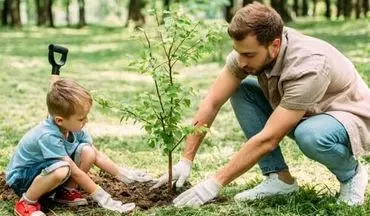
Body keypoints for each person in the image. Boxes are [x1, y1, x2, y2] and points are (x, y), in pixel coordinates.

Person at [152, 2, 370, 207]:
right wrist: (186, 160)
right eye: (238, 52)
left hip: (345, 115)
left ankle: (352, 175)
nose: (241, 60)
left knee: (310, 135)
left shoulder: (308, 65)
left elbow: (269, 139)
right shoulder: (247, 54)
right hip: (303, 111)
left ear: (275, 45)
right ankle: (280, 179)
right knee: (242, 89)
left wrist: (214, 183)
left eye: (248, 54)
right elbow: (212, 101)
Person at [6, 79, 152, 216]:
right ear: (60, 120)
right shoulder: (48, 136)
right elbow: (74, 172)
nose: (86, 121)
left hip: (45, 173)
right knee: (62, 168)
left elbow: (96, 155)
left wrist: (125, 175)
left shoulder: (74, 128)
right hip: (23, 179)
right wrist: (104, 198)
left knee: (87, 151)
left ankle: (66, 192)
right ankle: (26, 202)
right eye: (81, 118)